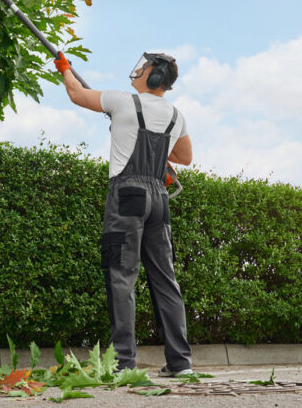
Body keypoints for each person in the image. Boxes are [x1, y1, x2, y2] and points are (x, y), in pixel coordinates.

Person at [54, 52, 194, 376]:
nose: (138, 70)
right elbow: (185, 156)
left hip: (127, 195)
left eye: (144, 68)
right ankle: (180, 364)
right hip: (159, 198)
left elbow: (77, 94)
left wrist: (65, 68)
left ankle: (123, 363)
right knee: (165, 280)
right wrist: (160, 146)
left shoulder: (122, 101)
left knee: (121, 276)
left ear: (154, 76)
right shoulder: (176, 115)